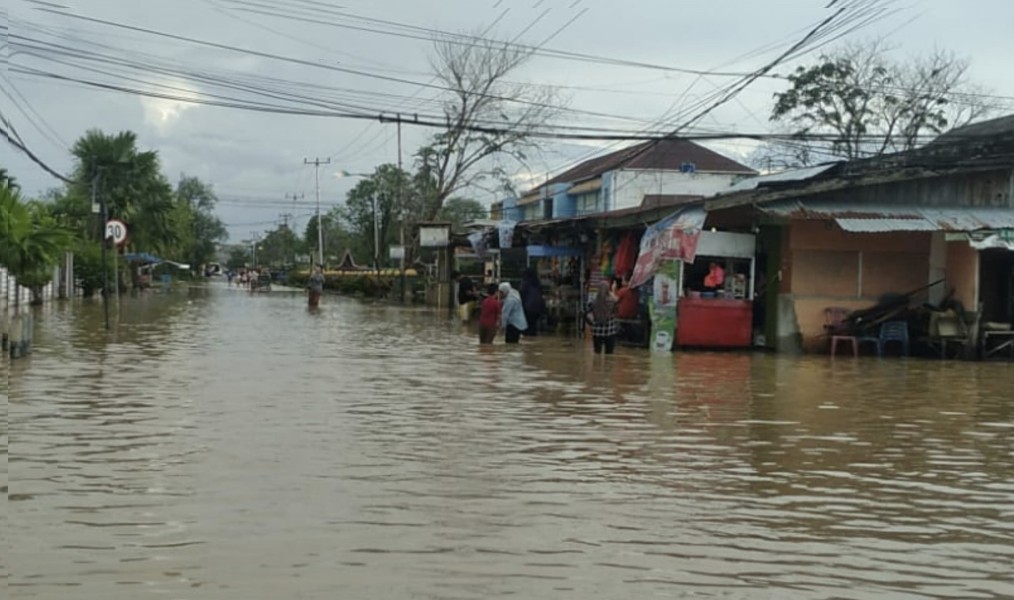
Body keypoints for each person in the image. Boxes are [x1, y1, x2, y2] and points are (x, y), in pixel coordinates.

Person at [586, 281, 619, 354]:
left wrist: (591, 324)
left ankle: (596, 365)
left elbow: (587, 314)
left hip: (597, 330)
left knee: (597, 352)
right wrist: (612, 292)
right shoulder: (612, 301)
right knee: (609, 354)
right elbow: (617, 306)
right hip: (610, 330)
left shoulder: (593, 302)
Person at [519, 267, 547, 336]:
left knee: (527, 327)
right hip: (538, 308)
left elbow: (522, 294)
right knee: (533, 326)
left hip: (528, 307)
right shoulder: (537, 283)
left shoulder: (525, 282)